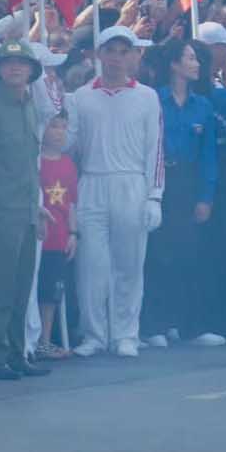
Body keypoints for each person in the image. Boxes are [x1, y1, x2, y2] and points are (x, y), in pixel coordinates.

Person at [67, 26, 163, 358]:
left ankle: (126, 333)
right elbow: (71, 147)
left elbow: (155, 150)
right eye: (111, 51)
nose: (117, 58)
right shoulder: (81, 97)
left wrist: (154, 196)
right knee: (92, 265)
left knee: (129, 263)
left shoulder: (147, 97)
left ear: (135, 55)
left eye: (125, 51)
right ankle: (94, 333)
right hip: (92, 182)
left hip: (132, 184)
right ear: (98, 54)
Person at [0, 42, 53, 380]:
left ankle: (17, 353)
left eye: (23, 63)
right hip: (1, 208)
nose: (16, 68)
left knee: (21, 286)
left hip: (27, 209)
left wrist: (38, 206)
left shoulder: (29, 106)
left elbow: (29, 164)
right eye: (9, 63)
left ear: (32, 70)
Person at [143, 39, 225, 347]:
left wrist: (205, 196)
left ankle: (189, 325)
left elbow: (208, 157)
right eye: (189, 58)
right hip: (161, 179)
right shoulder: (154, 100)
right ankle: (156, 326)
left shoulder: (202, 106)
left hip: (189, 182)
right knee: (158, 255)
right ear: (174, 64)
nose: (196, 64)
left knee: (190, 255)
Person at [37, 112, 79, 359]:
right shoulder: (36, 162)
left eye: (64, 127)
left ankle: (45, 339)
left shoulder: (68, 164)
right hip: (40, 234)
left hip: (60, 236)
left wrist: (73, 233)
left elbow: (72, 202)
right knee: (37, 288)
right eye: (54, 126)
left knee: (51, 292)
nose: (60, 132)